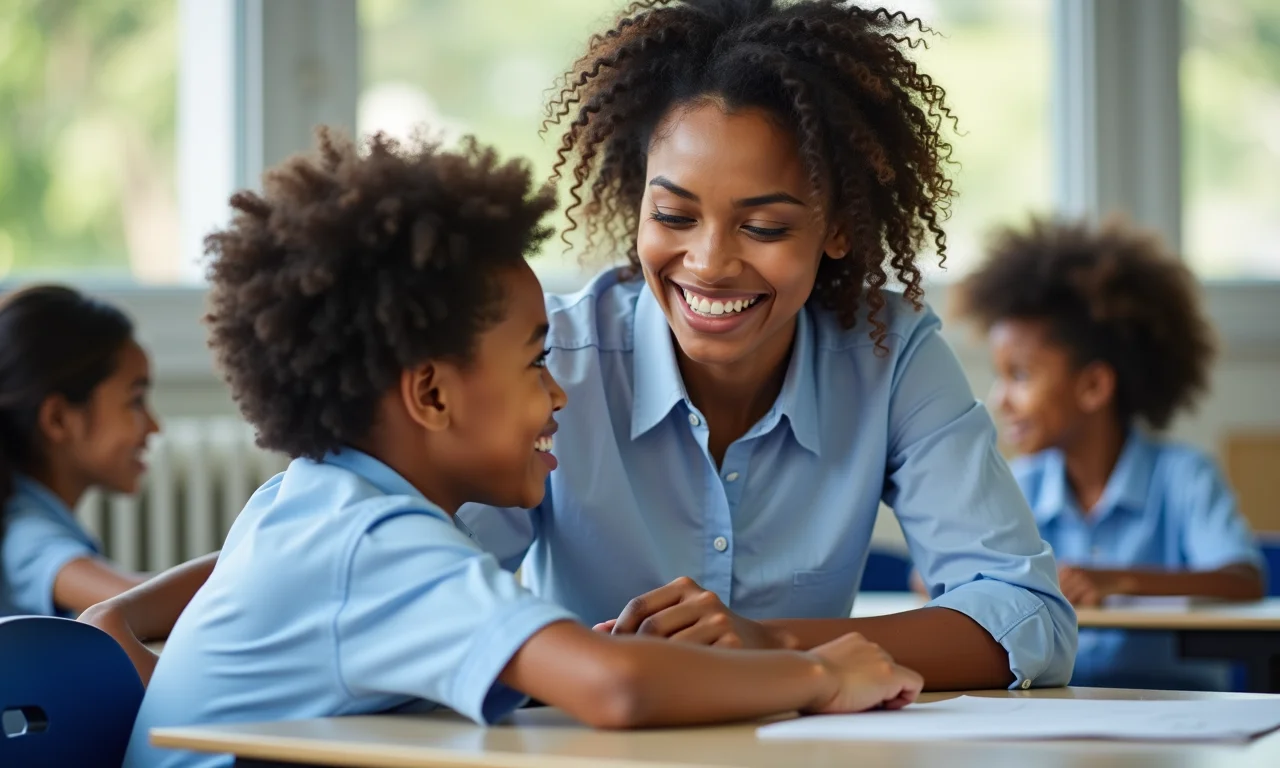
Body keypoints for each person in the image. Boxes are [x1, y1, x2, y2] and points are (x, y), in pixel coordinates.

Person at [86, 0, 1075, 692]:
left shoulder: (888, 355)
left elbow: (1026, 614)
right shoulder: (542, 361)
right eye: (671, 213)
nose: (708, 262)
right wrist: (129, 616)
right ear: (631, 200)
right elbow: (348, 535)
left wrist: (769, 642)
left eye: (765, 226)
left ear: (840, 228)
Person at [123, 130, 923, 768]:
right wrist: (821, 675)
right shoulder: (376, 543)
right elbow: (613, 690)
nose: (559, 393)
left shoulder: (326, 501)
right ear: (432, 395)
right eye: (537, 361)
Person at [952, 216, 1264, 690]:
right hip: (1055, 714)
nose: (1000, 400)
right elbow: (930, 576)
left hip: (1179, 719)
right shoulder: (1020, 482)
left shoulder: (1184, 476)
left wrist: (1116, 581)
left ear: (1094, 386)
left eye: (1020, 376)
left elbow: (1242, 580)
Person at [0, 285, 159, 617]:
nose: (155, 426)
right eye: (135, 401)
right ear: (58, 419)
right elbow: (133, 604)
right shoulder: (26, 533)